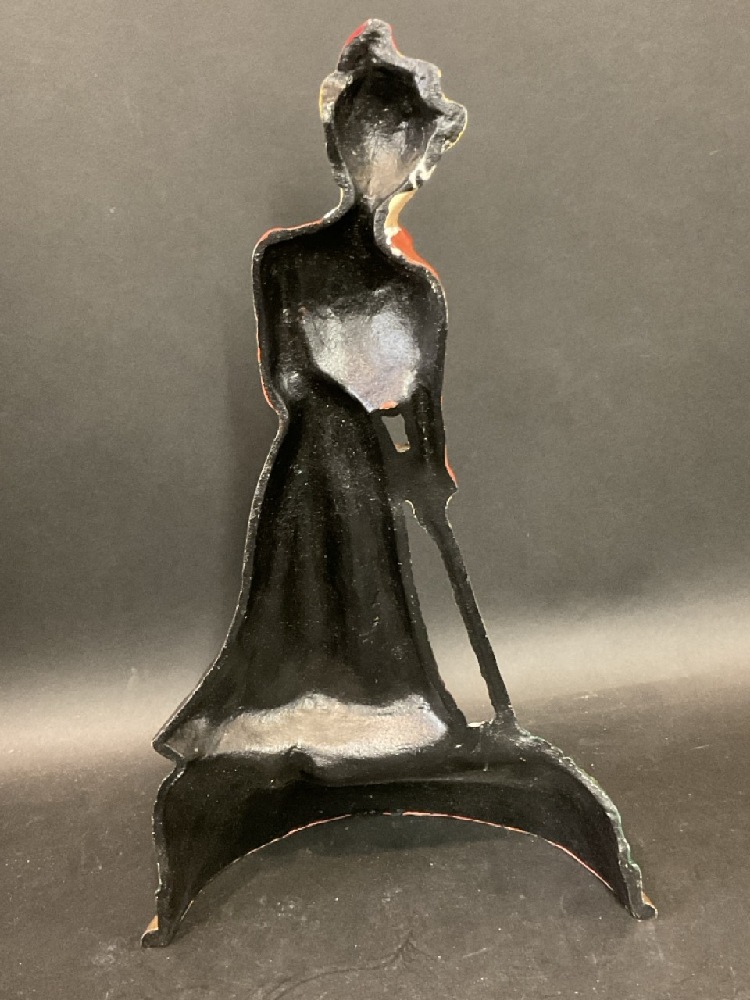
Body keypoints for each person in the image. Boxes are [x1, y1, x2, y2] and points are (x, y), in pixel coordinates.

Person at [154, 20, 475, 769]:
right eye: (377, 137)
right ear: (342, 143)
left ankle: (381, 731)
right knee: (301, 601)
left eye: (406, 145)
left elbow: (424, 410)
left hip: (361, 475)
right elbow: (289, 379)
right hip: (315, 467)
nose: (393, 161)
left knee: (370, 606)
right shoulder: (285, 261)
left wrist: (426, 470)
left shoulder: (415, 290)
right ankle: (285, 730)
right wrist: (371, 428)